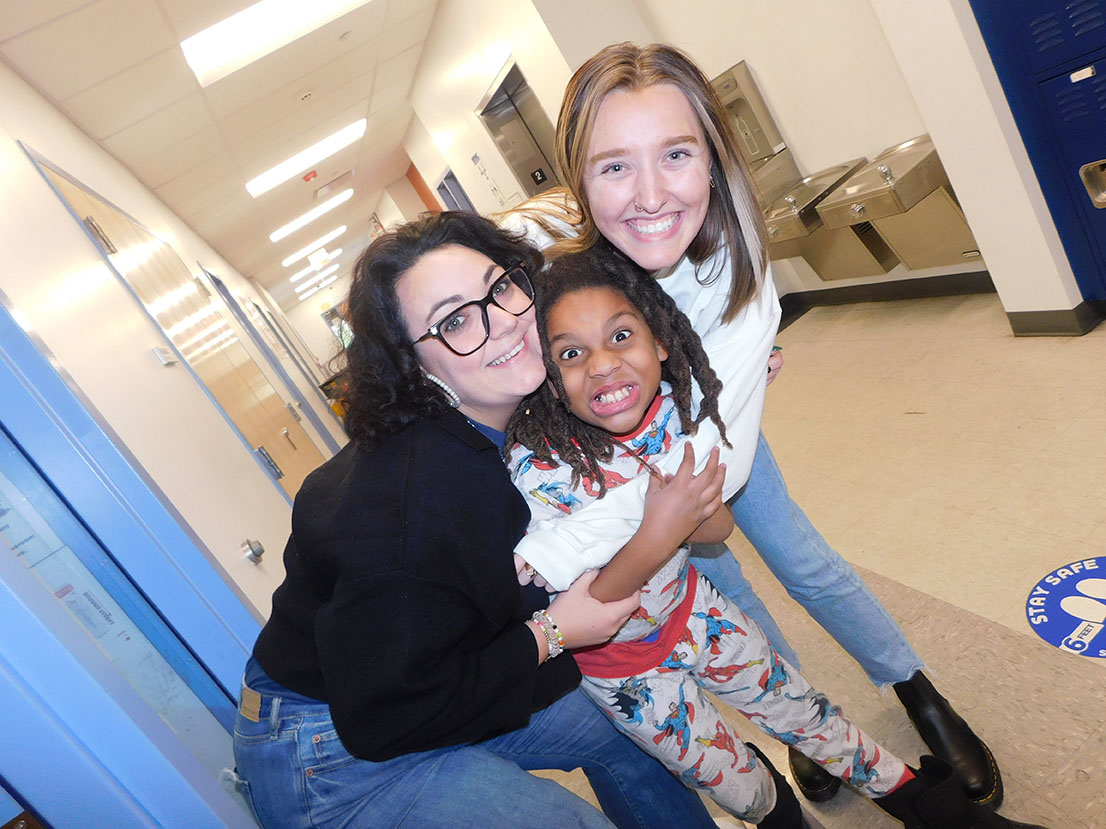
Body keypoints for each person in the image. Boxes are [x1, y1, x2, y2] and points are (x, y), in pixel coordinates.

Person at [501, 41, 1001, 809]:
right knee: (721, 585)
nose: (649, 195)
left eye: (675, 154)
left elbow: (713, 479)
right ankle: (804, 717)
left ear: (712, 157)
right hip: (607, 452)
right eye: (613, 166)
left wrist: (563, 544)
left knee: (800, 561)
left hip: (712, 439)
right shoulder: (553, 261)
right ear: (579, 177)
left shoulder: (735, 269)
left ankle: (916, 690)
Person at [503, 244, 1043, 829]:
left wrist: (681, 512)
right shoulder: (540, 470)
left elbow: (718, 527)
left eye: (621, 336)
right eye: (573, 353)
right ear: (552, 383)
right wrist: (659, 530)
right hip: (625, 672)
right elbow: (593, 607)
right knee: (733, 780)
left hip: (699, 613)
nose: (603, 364)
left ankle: (942, 813)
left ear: (661, 341)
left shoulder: (675, 415)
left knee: (812, 717)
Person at [230, 211, 718, 829]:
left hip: (448, 661)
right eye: (454, 320)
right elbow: (384, 712)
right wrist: (551, 635)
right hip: (338, 747)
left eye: (503, 287)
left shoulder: (501, 409)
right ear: (413, 367)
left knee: (634, 724)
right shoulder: (416, 506)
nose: (504, 324)